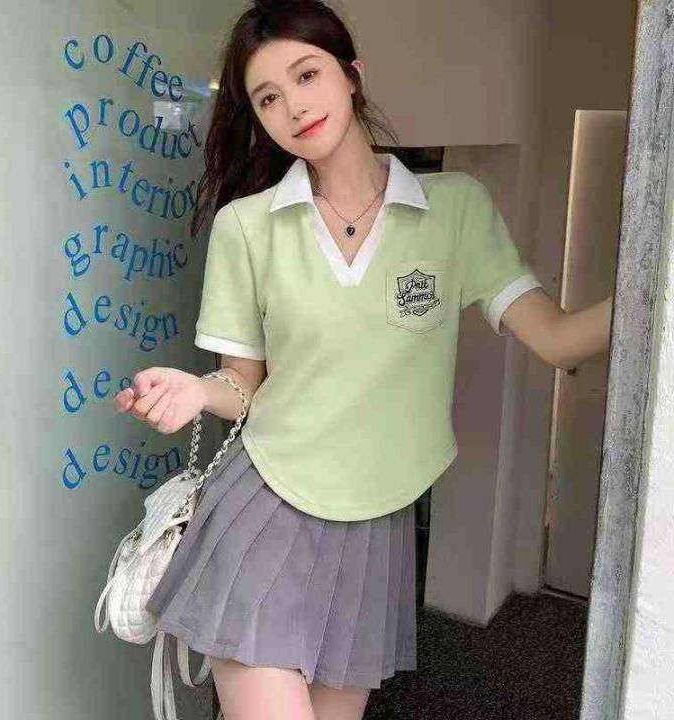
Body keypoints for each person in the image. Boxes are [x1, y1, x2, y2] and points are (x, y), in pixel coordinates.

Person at [113, 1, 614, 718]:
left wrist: (652, 292)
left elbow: (558, 339)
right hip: (266, 509)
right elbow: (242, 386)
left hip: (376, 527)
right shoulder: (246, 228)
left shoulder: (456, 209)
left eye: (306, 74)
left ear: (351, 75)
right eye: (267, 98)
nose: (293, 106)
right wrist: (197, 391)